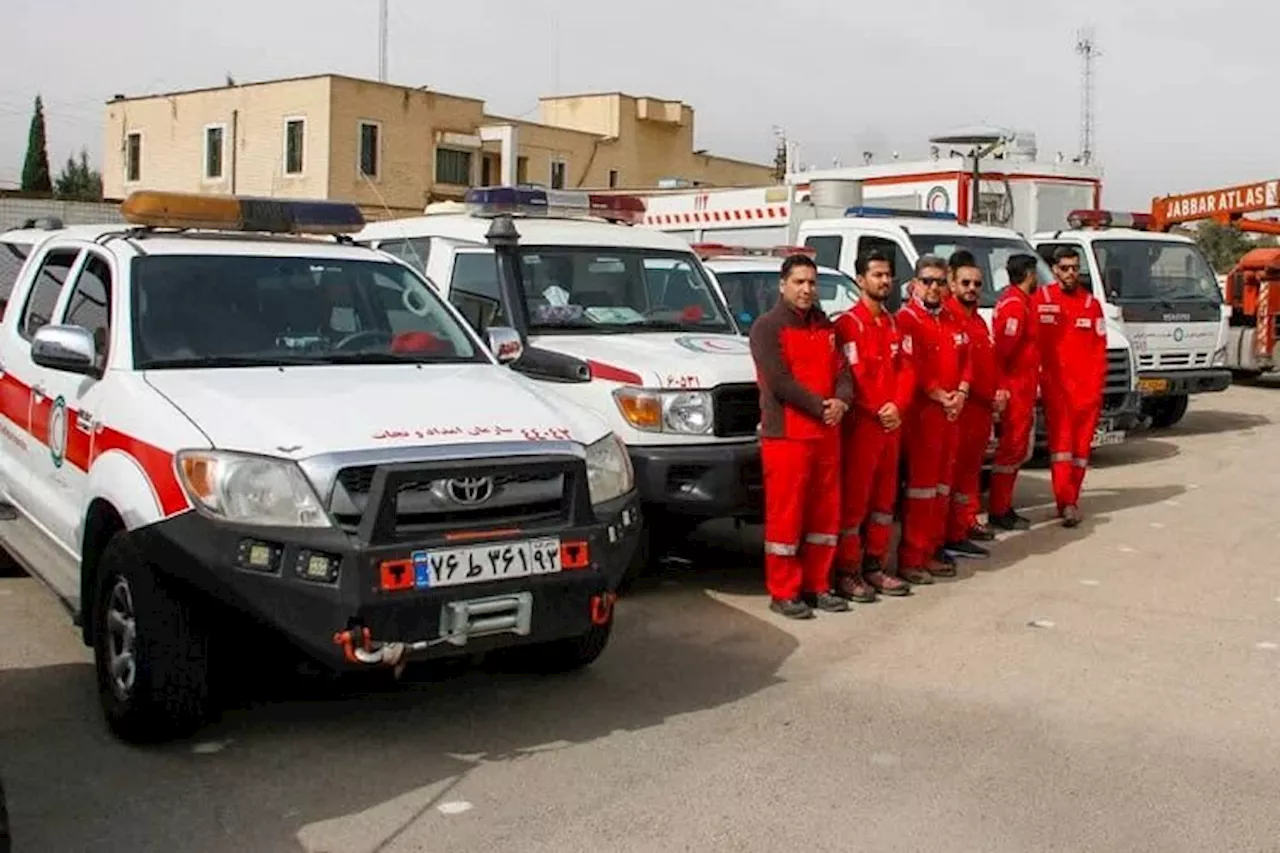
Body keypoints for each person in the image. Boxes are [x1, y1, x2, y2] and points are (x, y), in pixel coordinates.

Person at [749, 253, 854, 618]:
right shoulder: (767, 327)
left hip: (826, 434)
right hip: (788, 436)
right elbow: (778, 381)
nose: (807, 289)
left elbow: (844, 372)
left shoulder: (827, 327)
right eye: (799, 282)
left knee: (825, 516)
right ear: (783, 285)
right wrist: (821, 405)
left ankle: (818, 584)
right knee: (787, 517)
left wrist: (841, 401)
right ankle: (784, 591)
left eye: (811, 282)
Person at [832, 250, 914, 602]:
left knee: (884, 502)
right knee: (855, 505)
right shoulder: (847, 325)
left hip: (891, 429)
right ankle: (847, 571)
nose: (884, 281)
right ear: (861, 281)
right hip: (861, 429)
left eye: (887, 275)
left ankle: (875, 566)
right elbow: (850, 377)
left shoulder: (895, 324)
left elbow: (908, 370)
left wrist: (897, 405)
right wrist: (875, 408)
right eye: (877, 275)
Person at [895, 255, 970, 584]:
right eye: (927, 281)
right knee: (921, 492)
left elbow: (967, 361)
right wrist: (940, 395)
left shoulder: (953, 320)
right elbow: (911, 369)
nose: (934, 287)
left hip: (951, 417)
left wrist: (963, 393)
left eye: (940, 281)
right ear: (915, 284)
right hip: (923, 419)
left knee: (942, 490)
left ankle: (932, 551)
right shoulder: (907, 320)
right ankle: (912, 559)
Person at [1036, 245, 1107, 527]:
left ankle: (1071, 499)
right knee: (1062, 449)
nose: (1070, 273)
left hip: (1087, 394)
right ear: (1054, 270)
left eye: (1074, 268)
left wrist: (1096, 389)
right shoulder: (1041, 300)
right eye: (1064, 268)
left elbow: (1100, 350)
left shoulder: (1091, 305)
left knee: (1080, 452)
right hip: (1057, 392)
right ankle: (1065, 502)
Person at [942, 250, 998, 558]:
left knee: (969, 474)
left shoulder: (978, 320)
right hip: (959, 410)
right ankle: (950, 533)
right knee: (951, 476)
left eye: (977, 283)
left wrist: (997, 394)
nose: (972, 288)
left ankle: (964, 525)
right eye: (965, 282)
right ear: (952, 282)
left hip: (981, 411)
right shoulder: (948, 319)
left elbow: (988, 363)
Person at [988, 253, 1042, 531]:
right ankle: (999, 508)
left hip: (1023, 387)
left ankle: (1004, 505)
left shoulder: (1022, 303)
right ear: (1029, 274)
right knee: (1011, 450)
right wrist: (1002, 388)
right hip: (1015, 390)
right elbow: (1003, 352)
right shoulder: (1014, 307)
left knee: (1017, 449)